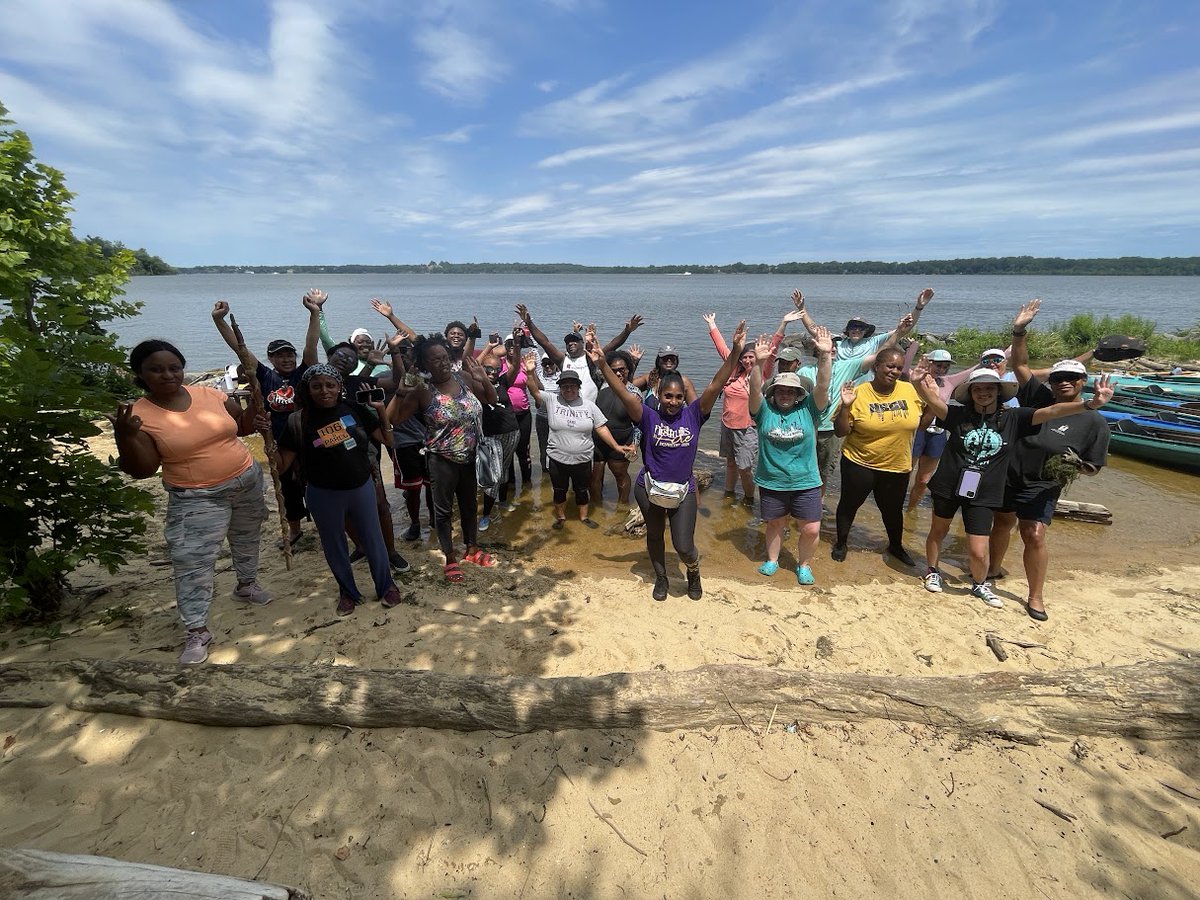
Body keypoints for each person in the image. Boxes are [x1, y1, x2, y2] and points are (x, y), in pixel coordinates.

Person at [110, 340, 270, 665]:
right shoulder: (139, 415)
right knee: (192, 561)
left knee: (246, 536)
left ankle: (246, 584)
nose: (167, 375)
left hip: (246, 478)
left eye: (174, 367)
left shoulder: (209, 394)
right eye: (156, 369)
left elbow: (242, 426)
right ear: (140, 374)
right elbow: (141, 470)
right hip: (196, 496)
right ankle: (197, 629)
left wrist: (256, 403)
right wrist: (125, 437)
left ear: (183, 368)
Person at [911, 355, 1114, 608]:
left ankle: (980, 583)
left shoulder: (1014, 418)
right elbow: (933, 400)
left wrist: (1089, 405)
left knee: (977, 550)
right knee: (938, 532)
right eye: (978, 388)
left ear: (999, 391)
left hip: (985, 491)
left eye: (989, 388)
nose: (983, 393)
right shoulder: (957, 414)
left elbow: (1052, 411)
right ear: (970, 392)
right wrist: (918, 383)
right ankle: (933, 571)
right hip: (949, 483)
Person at [589, 322, 748, 602]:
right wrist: (602, 363)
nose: (674, 401)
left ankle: (694, 570)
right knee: (654, 537)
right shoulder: (648, 415)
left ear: (684, 396)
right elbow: (623, 391)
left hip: (683, 490)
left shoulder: (695, 415)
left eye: (678, 396)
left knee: (683, 545)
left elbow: (717, 383)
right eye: (668, 396)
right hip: (650, 488)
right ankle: (661, 577)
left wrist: (735, 350)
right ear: (659, 395)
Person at [989, 300, 1111, 620]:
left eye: (1072, 377)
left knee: (1034, 533)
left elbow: (1093, 468)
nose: (1064, 382)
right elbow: (1021, 365)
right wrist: (1019, 330)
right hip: (1010, 474)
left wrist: (1078, 465)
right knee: (1002, 522)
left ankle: (1036, 596)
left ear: (1083, 381)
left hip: (1043, 483)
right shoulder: (1039, 398)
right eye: (1058, 378)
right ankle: (992, 569)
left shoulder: (1095, 421)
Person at [277, 365, 404, 615]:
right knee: (334, 545)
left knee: (373, 539)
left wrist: (381, 412)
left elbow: (388, 440)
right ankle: (347, 592)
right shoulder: (297, 420)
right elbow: (281, 466)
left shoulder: (355, 410)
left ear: (339, 387)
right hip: (322, 493)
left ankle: (387, 586)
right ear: (308, 390)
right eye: (317, 386)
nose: (324, 391)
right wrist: (266, 436)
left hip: (360, 486)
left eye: (330, 385)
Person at [211, 291, 322, 545]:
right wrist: (220, 321)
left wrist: (314, 313)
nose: (287, 359)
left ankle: (324, 521)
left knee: (316, 482)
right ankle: (294, 531)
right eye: (280, 355)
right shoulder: (264, 376)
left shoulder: (304, 374)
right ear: (271, 358)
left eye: (289, 354)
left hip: (306, 439)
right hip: (279, 443)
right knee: (287, 487)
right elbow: (240, 349)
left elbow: (311, 345)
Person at [398, 334, 498, 583]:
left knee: (469, 506)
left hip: (470, 457)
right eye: (435, 360)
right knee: (442, 512)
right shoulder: (422, 390)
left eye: (444, 357)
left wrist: (483, 379)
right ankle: (450, 557)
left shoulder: (463, 378)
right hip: (441, 459)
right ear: (425, 365)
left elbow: (492, 400)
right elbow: (394, 420)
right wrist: (400, 393)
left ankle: (472, 549)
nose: (442, 363)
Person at [749, 328, 834, 584]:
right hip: (772, 480)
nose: (785, 393)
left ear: (798, 394)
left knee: (811, 528)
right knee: (775, 524)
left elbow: (822, 385)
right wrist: (759, 363)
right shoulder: (764, 411)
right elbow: (754, 392)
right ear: (773, 392)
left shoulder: (810, 410)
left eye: (790, 390)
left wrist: (825, 354)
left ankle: (804, 564)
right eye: (780, 390)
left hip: (806, 481)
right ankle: (773, 559)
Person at [831, 348, 925, 566]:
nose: (894, 371)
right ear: (876, 367)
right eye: (889, 366)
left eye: (899, 368)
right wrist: (845, 406)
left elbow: (924, 421)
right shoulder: (860, 392)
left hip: (897, 464)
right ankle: (841, 543)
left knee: (892, 510)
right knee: (849, 504)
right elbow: (841, 431)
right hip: (860, 461)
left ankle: (896, 546)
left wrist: (922, 387)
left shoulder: (909, 390)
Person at [525, 358, 634, 529]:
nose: (569, 389)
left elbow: (601, 428)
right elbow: (534, 391)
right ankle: (560, 517)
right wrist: (530, 373)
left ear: (578, 387)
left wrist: (615, 446)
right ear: (560, 388)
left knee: (582, 490)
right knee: (559, 490)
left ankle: (584, 518)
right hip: (557, 459)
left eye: (573, 386)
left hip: (582, 460)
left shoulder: (589, 406)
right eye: (565, 386)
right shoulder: (552, 400)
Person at [516, 304, 642, 403]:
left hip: (591, 410)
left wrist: (627, 331)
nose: (571, 343)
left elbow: (613, 345)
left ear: (582, 343)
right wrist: (529, 323)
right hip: (568, 408)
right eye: (568, 342)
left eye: (575, 341)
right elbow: (545, 343)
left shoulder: (591, 359)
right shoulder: (563, 360)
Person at [703, 313, 761, 506]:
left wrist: (783, 325)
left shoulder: (759, 376)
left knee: (745, 467)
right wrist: (712, 325)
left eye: (751, 357)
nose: (747, 361)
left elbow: (768, 359)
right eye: (744, 357)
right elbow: (723, 348)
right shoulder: (734, 370)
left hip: (747, 428)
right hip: (727, 425)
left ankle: (749, 498)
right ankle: (728, 495)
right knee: (730, 463)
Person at [591, 348, 642, 506]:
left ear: (628, 370)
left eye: (622, 370)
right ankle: (597, 507)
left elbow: (639, 424)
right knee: (594, 477)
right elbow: (595, 364)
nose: (618, 374)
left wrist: (635, 444)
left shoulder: (634, 393)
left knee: (620, 475)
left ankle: (622, 506)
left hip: (622, 441)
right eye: (614, 371)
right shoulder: (602, 385)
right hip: (598, 440)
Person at [632, 345, 698, 410]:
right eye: (665, 358)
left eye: (672, 358)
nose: (669, 360)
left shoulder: (683, 382)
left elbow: (696, 409)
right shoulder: (650, 378)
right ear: (658, 361)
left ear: (677, 361)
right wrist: (634, 363)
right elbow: (626, 387)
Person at [534, 355, 561, 472]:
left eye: (551, 363)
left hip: (558, 417)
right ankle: (545, 473)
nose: (548, 366)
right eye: (545, 364)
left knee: (559, 445)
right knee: (543, 446)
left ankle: (559, 469)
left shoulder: (561, 375)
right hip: (542, 417)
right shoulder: (539, 375)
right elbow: (535, 350)